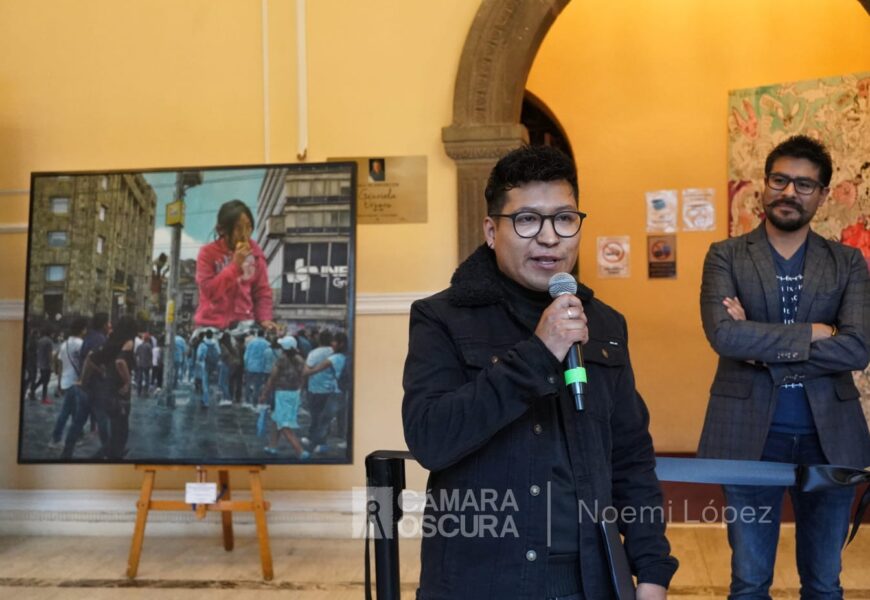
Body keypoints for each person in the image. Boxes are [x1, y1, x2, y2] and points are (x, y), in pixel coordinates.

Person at [402, 145, 677, 600]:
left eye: (565, 219)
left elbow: (630, 458)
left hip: (589, 582)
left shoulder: (604, 324)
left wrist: (651, 569)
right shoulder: (442, 318)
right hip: (481, 583)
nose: (549, 238)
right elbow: (431, 438)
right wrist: (537, 352)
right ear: (491, 231)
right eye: (527, 220)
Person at [698, 135, 870, 599]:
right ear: (763, 185)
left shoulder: (848, 262)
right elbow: (724, 336)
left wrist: (757, 340)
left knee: (823, 583)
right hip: (748, 435)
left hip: (829, 438)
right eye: (780, 180)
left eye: (804, 184)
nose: (789, 192)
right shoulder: (725, 256)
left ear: (822, 196)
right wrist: (817, 332)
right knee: (750, 582)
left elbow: (857, 349)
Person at [194, 200, 277, 332]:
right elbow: (209, 291)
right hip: (210, 324)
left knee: (261, 347)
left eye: (249, 227)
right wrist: (235, 266)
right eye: (239, 228)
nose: (245, 234)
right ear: (223, 230)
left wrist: (265, 319)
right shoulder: (207, 253)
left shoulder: (256, 255)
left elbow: (262, 292)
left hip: (244, 323)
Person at [80, 316, 138, 460]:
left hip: (107, 392)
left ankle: (110, 456)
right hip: (120, 394)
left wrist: (97, 374)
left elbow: (90, 358)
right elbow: (120, 362)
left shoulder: (111, 344)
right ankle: (109, 459)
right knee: (121, 432)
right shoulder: (128, 342)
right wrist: (128, 381)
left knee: (115, 430)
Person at [260, 336, 309, 459]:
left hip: (282, 393)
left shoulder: (282, 359)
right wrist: (300, 389)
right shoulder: (300, 359)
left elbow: (272, 378)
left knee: (284, 425)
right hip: (294, 393)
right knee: (276, 419)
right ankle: (272, 446)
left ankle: (300, 451)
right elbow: (304, 376)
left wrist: (264, 394)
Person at [49, 317, 87, 449]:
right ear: (82, 329)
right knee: (75, 413)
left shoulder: (64, 344)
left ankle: (58, 438)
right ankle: (71, 438)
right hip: (75, 382)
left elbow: (59, 366)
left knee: (68, 412)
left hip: (65, 382)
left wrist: (59, 384)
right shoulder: (80, 343)